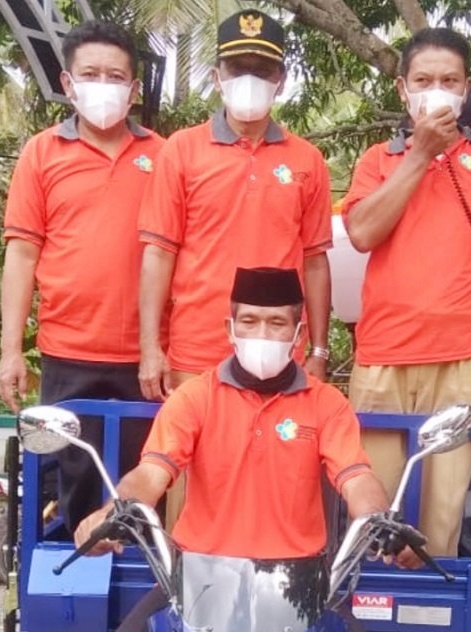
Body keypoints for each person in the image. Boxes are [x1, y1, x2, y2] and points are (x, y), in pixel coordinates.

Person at [76, 267, 418, 632]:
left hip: (300, 589)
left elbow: (355, 476)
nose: (263, 334)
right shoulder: (195, 397)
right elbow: (153, 471)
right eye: (250, 321)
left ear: (298, 332)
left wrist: (379, 519)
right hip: (197, 584)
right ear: (230, 327)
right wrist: (114, 511)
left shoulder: (326, 404)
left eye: (277, 323)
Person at [342, 28, 471, 557]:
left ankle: (432, 604)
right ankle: (371, 605)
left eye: (449, 81)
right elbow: (361, 232)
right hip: (382, 358)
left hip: (457, 358)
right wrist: (420, 155)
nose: (437, 90)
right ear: (402, 89)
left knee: (440, 518)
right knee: (373, 514)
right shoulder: (378, 159)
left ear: (466, 87)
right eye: (424, 80)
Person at [0, 20, 165, 534]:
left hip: (148, 357)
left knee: (147, 484)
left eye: (115, 76)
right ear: (68, 83)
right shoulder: (42, 153)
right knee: (76, 483)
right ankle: (77, 576)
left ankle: (142, 580)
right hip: (68, 351)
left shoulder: (163, 156)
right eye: (90, 74)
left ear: (133, 90)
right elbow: (22, 254)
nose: (103, 85)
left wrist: (159, 347)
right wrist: (10, 350)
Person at [137, 9, 333, 403]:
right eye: (237, 68)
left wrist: (318, 351)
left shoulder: (307, 160)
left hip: (280, 351)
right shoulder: (181, 150)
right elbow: (158, 254)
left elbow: (315, 261)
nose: (249, 78)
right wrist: (150, 348)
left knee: (276, 444)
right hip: (197, 351)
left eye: (262, 70)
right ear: (216, 77)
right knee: (194, 445)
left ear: (280, 81)